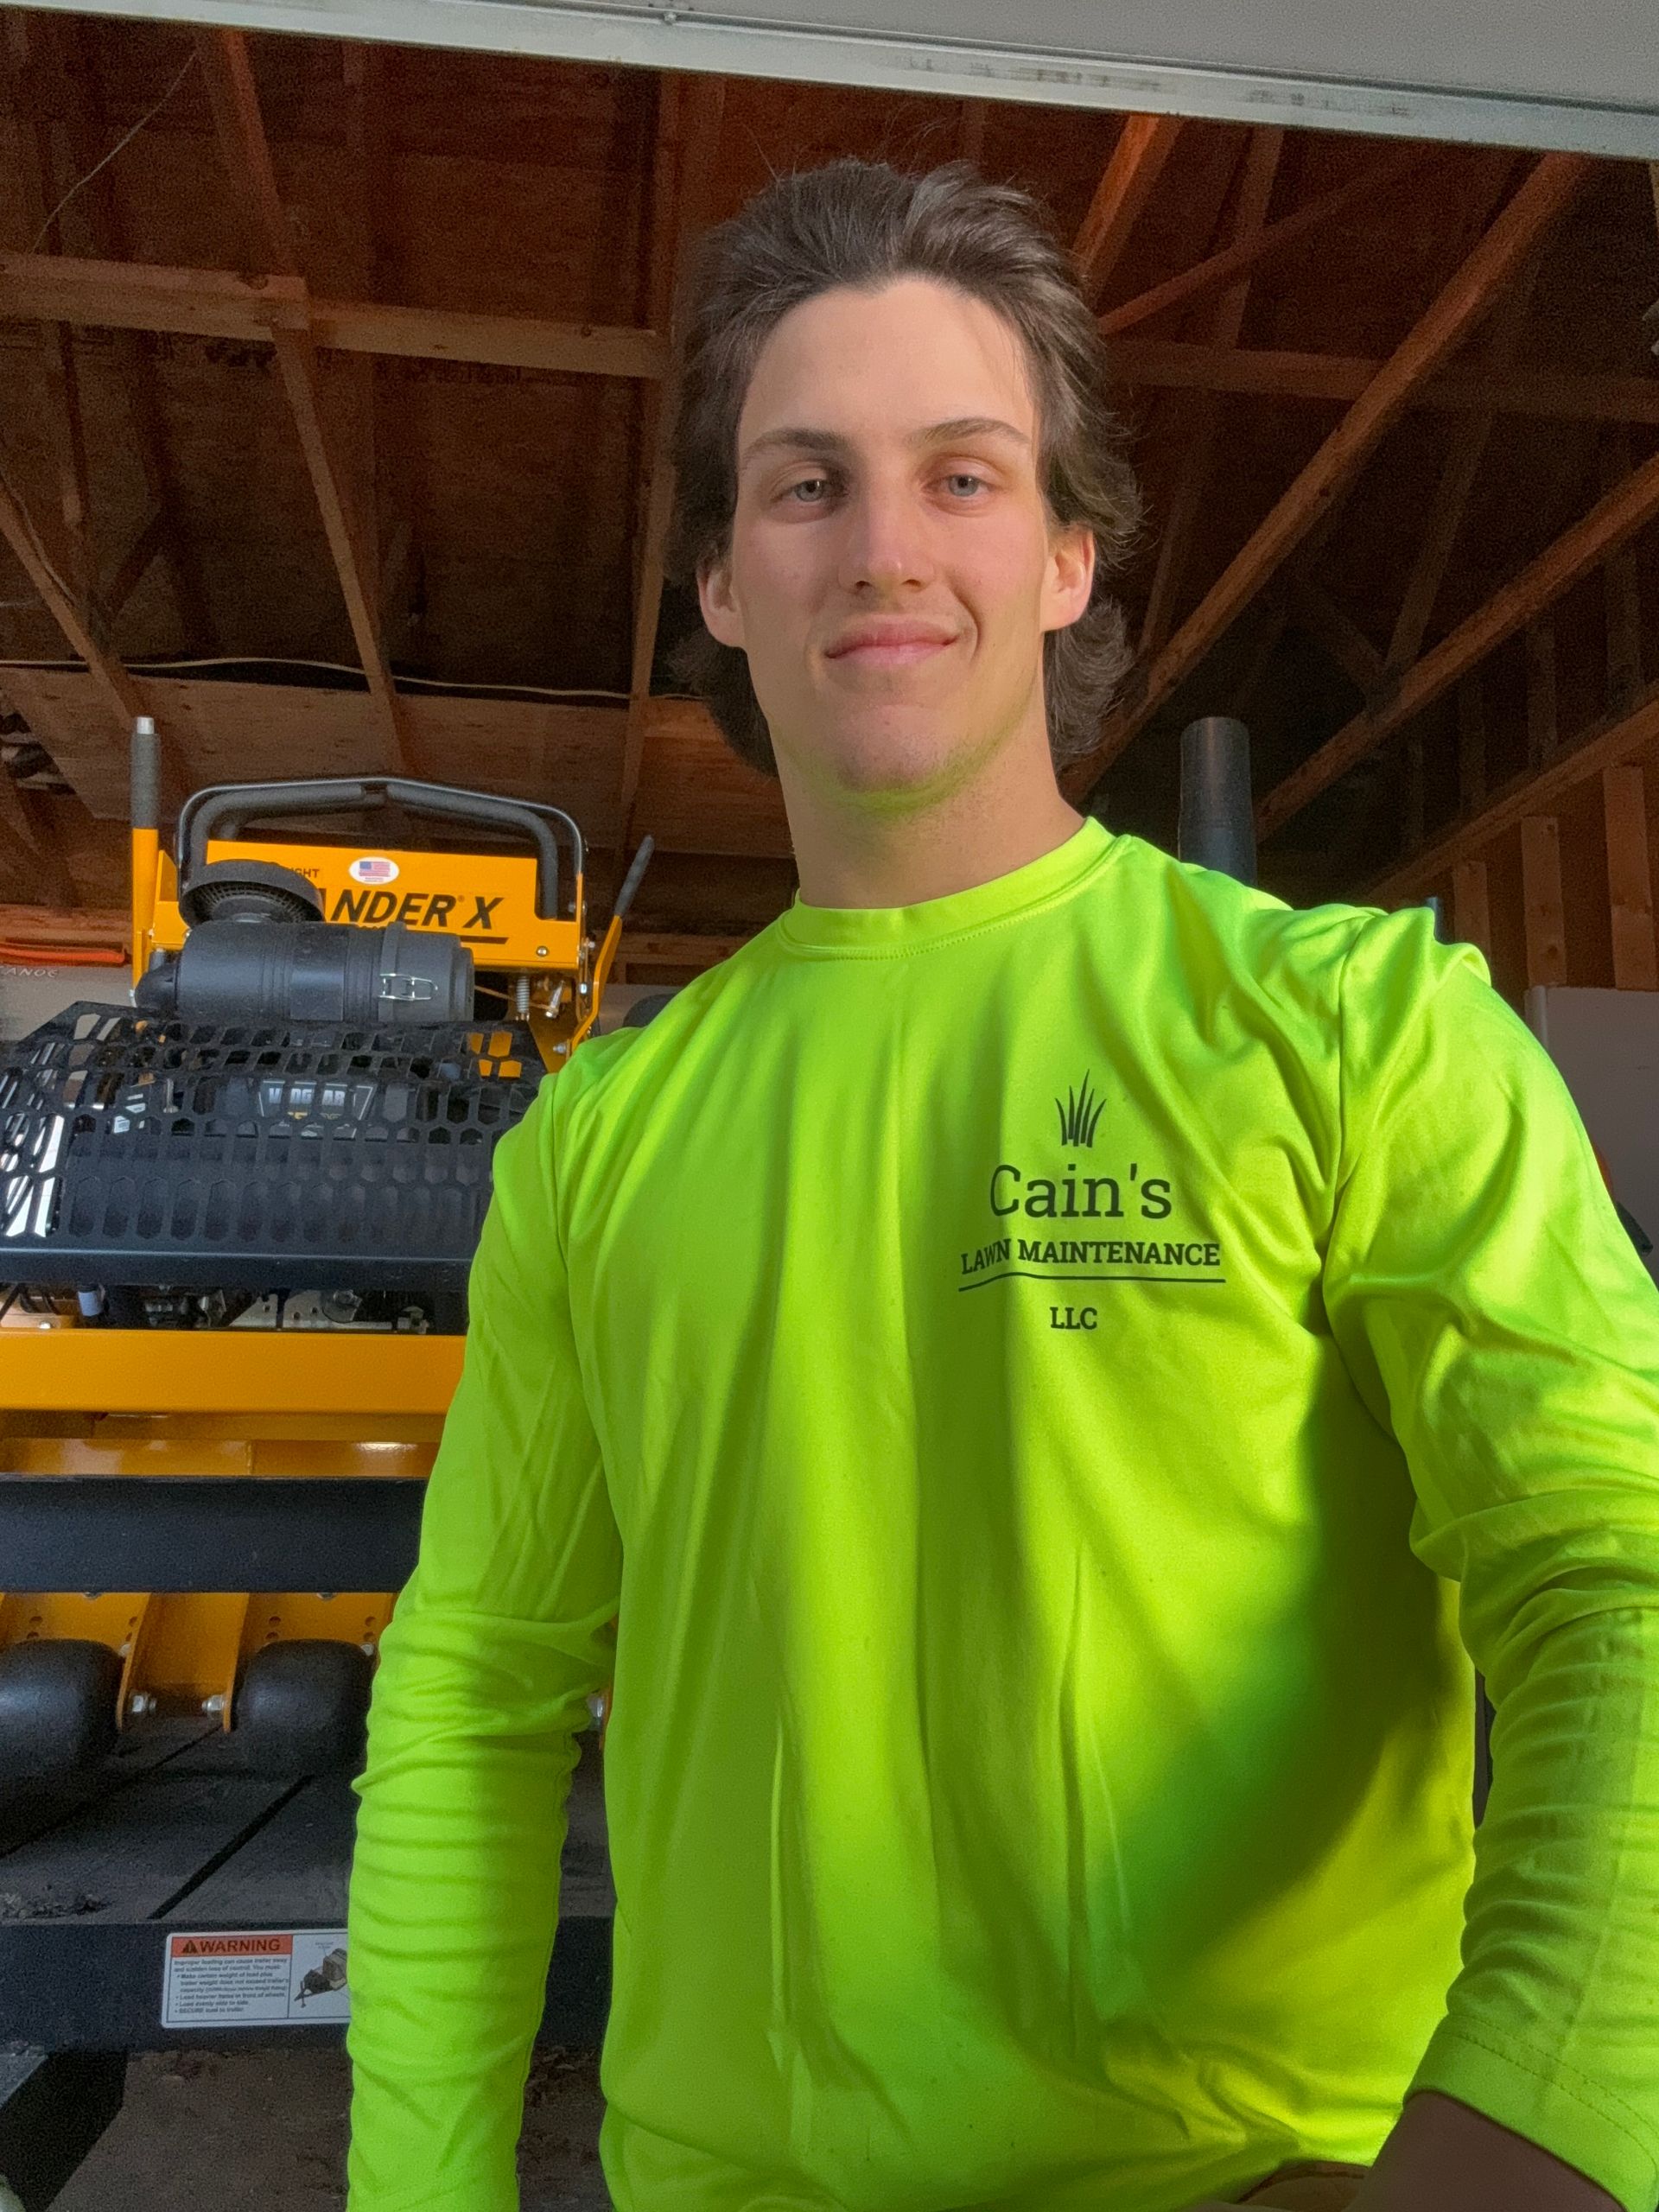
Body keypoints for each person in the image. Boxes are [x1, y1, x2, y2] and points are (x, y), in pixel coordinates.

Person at [344, 160, 1659, 2212]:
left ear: (1065, 555)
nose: (885, 547)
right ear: (720, 578)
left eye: (961, 476)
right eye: (807, 485)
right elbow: (476, 1687)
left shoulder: (1355, 1028)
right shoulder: (597, 1140)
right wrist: (416, 2186)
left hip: (1254, 2176)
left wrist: (1540, 2125)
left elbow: (1612, 1566)